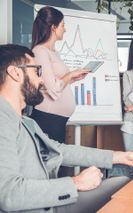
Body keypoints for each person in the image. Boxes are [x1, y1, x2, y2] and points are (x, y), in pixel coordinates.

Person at [0, 44, 133, 212]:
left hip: (49, 203)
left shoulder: (26, 122)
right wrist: (76, 182)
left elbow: (60, 150)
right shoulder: (2, 121)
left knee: (122, 183)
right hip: (39, 207)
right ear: (15, 73)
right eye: (36, 71)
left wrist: (120, 157)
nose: (41, 80)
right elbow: (8, 193)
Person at [31, 6, 89, 143]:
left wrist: (73, 78)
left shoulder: (54, 53)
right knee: (50, 162)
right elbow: (52, 89)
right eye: (63, 25)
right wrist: (70, 75)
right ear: (53, 27)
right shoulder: (40, 52)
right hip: (47, 119)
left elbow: (55, 82)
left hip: (56, 121)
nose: (65, 29)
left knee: (57, 161)